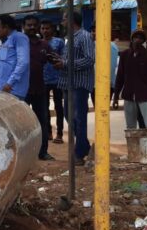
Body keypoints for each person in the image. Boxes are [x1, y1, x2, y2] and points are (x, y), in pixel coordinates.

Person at [55, 11, 95, 165]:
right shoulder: (69, 39)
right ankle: (83, 146)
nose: (62, 22)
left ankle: (79, 154)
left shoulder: (84, 36)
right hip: (68, 83)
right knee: (69, 116)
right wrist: (59, 60)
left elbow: (89, 59)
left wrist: (65, 63)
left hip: (79, 84)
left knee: (79, 118)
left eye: (64, 19)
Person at [113, 30, 147, 130]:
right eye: (135, 38)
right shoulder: (125, 55)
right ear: (131, 39)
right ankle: (133, 145)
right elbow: (120, 77)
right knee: (130, 126)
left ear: (143, 41)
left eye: (140, 38)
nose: (137, 40)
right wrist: (116, 96)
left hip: (145, 95)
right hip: (129, 95)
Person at [23, 15, 53, 160]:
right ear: (24, 26)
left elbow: (53, 59)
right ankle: (23, 153)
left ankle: (43, 152)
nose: (32, 27)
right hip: (22, 91)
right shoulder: (19, 43)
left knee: (42, 121)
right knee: (20, 123)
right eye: (29, 25)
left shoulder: (44, 45)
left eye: (34, 25)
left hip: (40, 89)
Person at [0, 14, 30, 99]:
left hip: (12, 90)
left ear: (6, 27)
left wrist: (9, 83)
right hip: (2, 90)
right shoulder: (6, 41)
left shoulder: (19, 37)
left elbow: (23, 62)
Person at [41, 20, 65, 143]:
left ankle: (59, 133)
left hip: (58, 79)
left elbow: (64, 57)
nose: (45, 30)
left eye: (47, 28)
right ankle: (48, 132)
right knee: (44, 108)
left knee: (58, 107)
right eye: (43, 28)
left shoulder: (59, 42)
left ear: (52, 29)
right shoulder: (38, 43)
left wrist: (58, 61)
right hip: (43, 80)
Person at [90, 23, 119, 106]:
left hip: (96, 84)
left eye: (95, 31)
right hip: (109, 84)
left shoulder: (92, 45)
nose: (93, 33)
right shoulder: (114, 46)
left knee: (99, 109)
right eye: (92, 31)